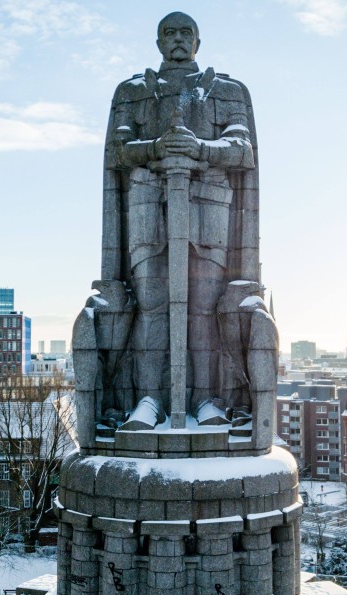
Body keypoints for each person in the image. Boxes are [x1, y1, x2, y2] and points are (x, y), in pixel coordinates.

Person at [100, 11, 261, 422]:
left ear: (197, 42)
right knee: (152, 305)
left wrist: (201, 150)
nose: (176, 39)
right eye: (168, 33)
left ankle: (207, 401)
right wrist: (155, 147)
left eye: (184, 32)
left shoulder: (225, 90)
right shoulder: (133, 92)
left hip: (208, 210)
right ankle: (149, 400)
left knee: (204, 309)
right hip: (147, 208)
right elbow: (117, 152)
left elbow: (242, 149)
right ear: (158, 44)